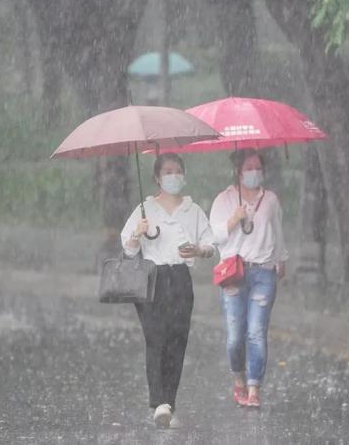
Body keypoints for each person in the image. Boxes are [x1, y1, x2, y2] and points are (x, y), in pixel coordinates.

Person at [120, 152, 214, 428]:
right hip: (152, 277)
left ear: (183, 176)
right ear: (158, 178)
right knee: (155, 337)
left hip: (181, 278)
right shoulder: (145, 208)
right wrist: (138, 232)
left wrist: (198, 249)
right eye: (167, 171)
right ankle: (157, 399)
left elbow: (210, 245)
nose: (173, 176)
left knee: (177, 338)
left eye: (177, 171)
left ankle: (168, 401)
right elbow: (128, 248)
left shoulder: (193, 210)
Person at [209, 148, 288, 408]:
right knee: (235, 337)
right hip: (234, 274)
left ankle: (254, 387)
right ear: (238, 171)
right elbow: (215, 237)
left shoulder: (271, 200)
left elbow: (278, 232)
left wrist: (281, 259)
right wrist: (234, 219)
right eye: (249, 167)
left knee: (256, 332)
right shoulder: (224, 200)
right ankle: (239, 378)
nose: (254, 172)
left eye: (258, 167)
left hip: (264, 272)